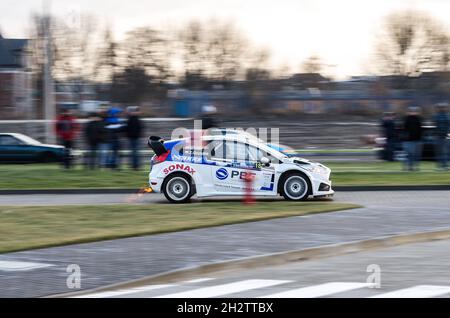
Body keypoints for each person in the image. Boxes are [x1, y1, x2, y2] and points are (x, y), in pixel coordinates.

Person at [402, 106, 423, 171]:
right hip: (409, 139)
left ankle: (416, 167)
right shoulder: (406, 119)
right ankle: (409, 167)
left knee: (416, 154)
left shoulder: (419, 119)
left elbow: (420, 128)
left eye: (414, 111)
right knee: (409, 154)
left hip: (417, 139)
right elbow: (404, 128)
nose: (413, 112)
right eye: (411, 111)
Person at [433, 103, 449, 171]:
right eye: (440, 107)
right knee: (441, 152)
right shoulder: (437, 116)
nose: (442, 108)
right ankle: (441, 166)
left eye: (443, 107)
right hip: (439, 136)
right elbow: (435, 126)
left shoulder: (447, 116)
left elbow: (448, 126)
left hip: (444, 136)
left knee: (443, 152)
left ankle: (443, 166)